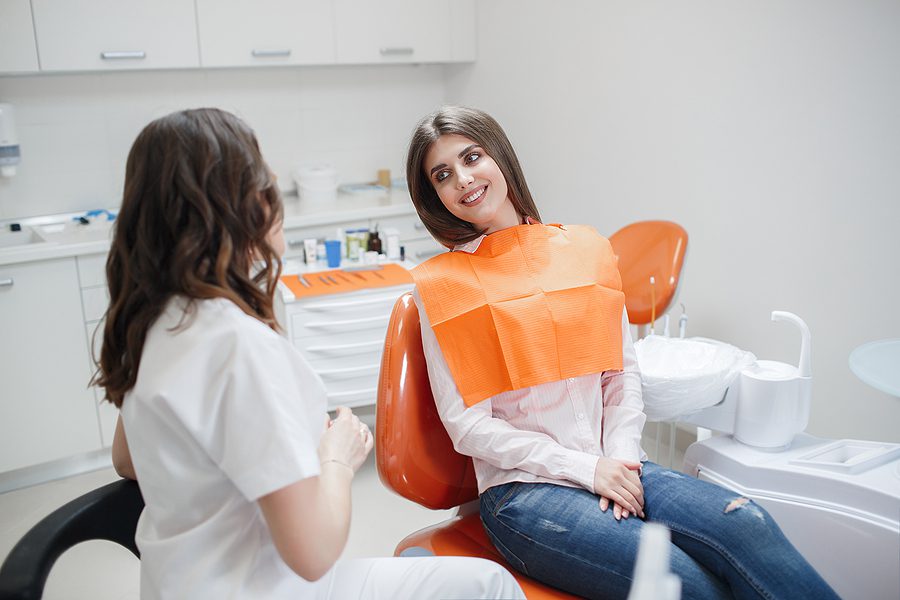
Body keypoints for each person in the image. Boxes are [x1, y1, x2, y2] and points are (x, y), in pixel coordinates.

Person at [405, 105, 840, 600]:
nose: (462, 179)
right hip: (525, 493)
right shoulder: (444, 287)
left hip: (621, 462)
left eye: (472, 157)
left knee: (751, 526)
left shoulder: (584, 251)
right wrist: (587, 470)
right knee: (683, 582)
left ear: (499, 156)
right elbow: (469, 427)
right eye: (443, 175)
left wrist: (621, 459)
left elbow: (622, 376)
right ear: (435, 197)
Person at [95, 108, 525, 600]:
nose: (275, 183)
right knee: (490, 585)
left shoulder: (154, 322)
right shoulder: (240, 347)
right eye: (262, 175)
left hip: (179, 586)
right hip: (267, 587)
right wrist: (337, 457)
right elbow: (314, 552)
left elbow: (128, 460)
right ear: (236, 206)